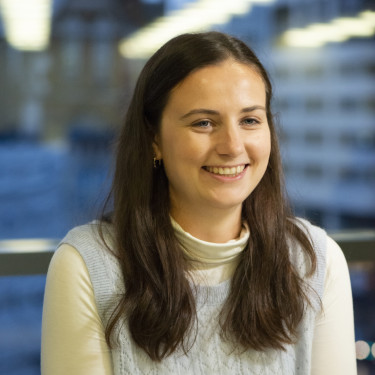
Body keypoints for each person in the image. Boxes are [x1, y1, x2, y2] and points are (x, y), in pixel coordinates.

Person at [41, 31, 356, 374]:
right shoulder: (89, 266)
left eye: (250, 120)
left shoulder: (314, 263)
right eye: (204, 122)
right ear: (154, 140)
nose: (233, 146)